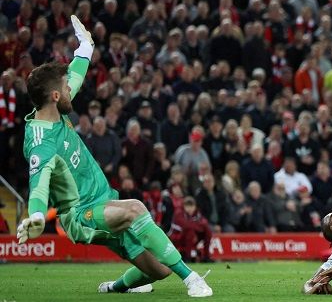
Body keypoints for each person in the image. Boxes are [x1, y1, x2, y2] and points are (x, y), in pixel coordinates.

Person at [16, 16, 212, 297]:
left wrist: (85, 45)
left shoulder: (55, 107)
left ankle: (115, 287)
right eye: (67, 86)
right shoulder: (41, 142)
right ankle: (192, 279)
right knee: (135, 209)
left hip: (103, 199)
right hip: (80, 214)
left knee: (160, 269)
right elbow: (39, 184)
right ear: (56, 95)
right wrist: (36, 214)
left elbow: (77, 74)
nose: (73, 86)